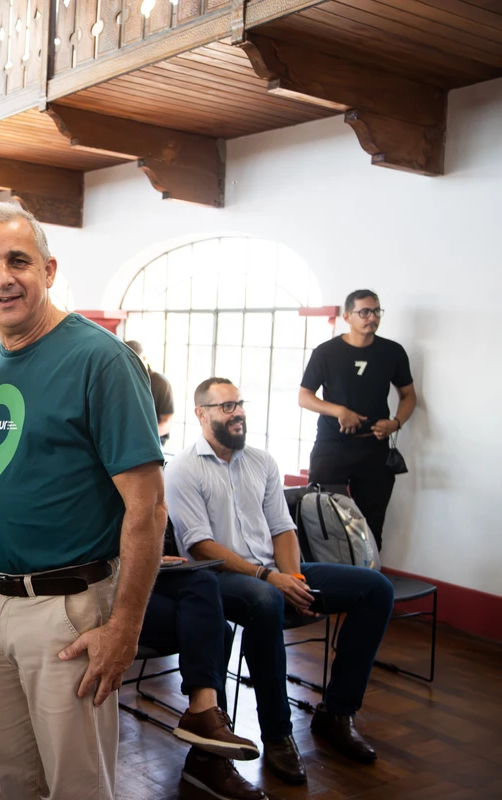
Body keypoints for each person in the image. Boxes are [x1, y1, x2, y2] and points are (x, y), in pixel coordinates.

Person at [0, 203, 166, 799]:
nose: (3, 278)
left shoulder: (101, 359)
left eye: (18, 261)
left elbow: (148, 508)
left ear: (49, 269)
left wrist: (124, 626)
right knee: (13, 776)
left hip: (66, 613)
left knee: (76, 785)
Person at [166, 377, 395, 785]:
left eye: (239, 403)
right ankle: (278, 734)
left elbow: (282, 529)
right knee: (265, 600)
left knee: (376, 588)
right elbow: (200, 547)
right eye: (225, 406)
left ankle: (337, 713)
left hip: (272, 569)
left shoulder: (262, 461)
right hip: (218, 579)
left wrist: (292, 578)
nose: (237, 412)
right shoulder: (184, 468)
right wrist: (271, 579)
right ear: (201, 414)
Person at [140, 556, 266, 799]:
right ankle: (207, 759)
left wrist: (148, 549)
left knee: (203, 582)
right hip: (101, 580)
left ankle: (204, 716)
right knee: (217, 629)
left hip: (140, 568)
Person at [299, 290, 416, 551]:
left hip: (374, 448)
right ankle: (319, 582)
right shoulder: (326, 352)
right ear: (347, 316)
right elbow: (305, 397)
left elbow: (408, 396)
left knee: (372, 524)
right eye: (364, 312)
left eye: (376, 311)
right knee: (320, 516)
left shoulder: (392, 352)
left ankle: (370, 582)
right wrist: (339, 411)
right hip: (332, 446)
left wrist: (395, 423)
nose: (371, 317)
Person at [126, 339, 175, 445]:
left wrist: (143, 437)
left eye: (133, 362)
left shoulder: (160, 383)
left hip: (151, 443)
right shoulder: (120, 380)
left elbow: (168, 422)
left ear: (143, 358)